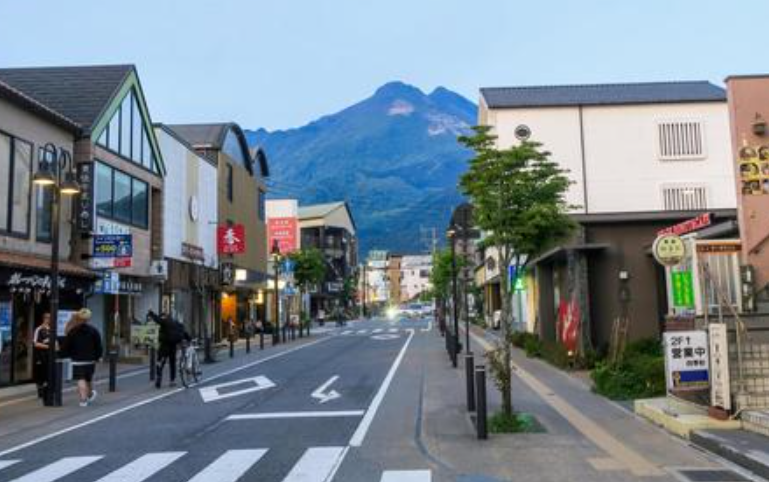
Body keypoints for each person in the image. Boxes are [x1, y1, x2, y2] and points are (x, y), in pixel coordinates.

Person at [62, 309, 102, 407]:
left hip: (77, 360)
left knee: (80, 379)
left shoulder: (73, 331)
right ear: (88, 319)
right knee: (88, 378)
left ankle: (83, 400)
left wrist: (66, 354)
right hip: (90, 360)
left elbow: (66, 345)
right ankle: (90, 394)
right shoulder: (93, 330)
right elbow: (98, 345)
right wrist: (98, 357)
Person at [147, 310, 189, 388]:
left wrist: (151, 314)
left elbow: (158, 320)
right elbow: (183, 331)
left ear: (163, 316)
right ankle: (172, 380)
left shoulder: (164, 321)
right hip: (173, 346)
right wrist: (189, 339)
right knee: (172, 363)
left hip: (164, 346)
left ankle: (159, 377)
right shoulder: (175, 322)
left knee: (160, 362)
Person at [33, 313, 52, 398]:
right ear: (44, 319)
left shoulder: (52, 329)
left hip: (49, 355)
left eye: (50, 318)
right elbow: (35, 343)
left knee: (48, 373)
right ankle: (40, 392)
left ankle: (47, 390)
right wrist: (48, 347)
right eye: (48, 318)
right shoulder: (39, 329)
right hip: (40, 355)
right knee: (40, 374)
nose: (49, 320)